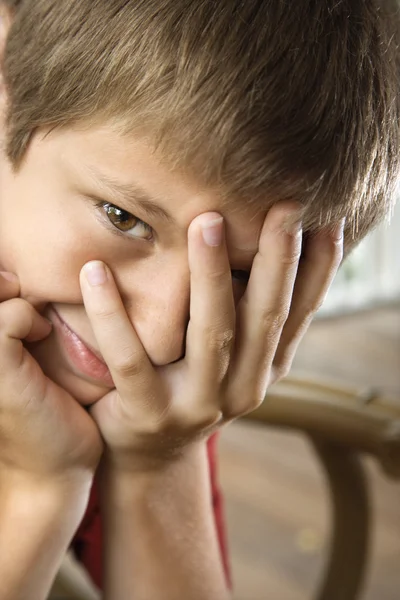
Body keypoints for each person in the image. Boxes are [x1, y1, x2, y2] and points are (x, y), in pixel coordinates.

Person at [0, 0, 399, 598]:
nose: (160, 337)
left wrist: (157, 461)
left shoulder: (161, 388)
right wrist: (33, 491)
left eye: (235, 276)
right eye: (122, 217)